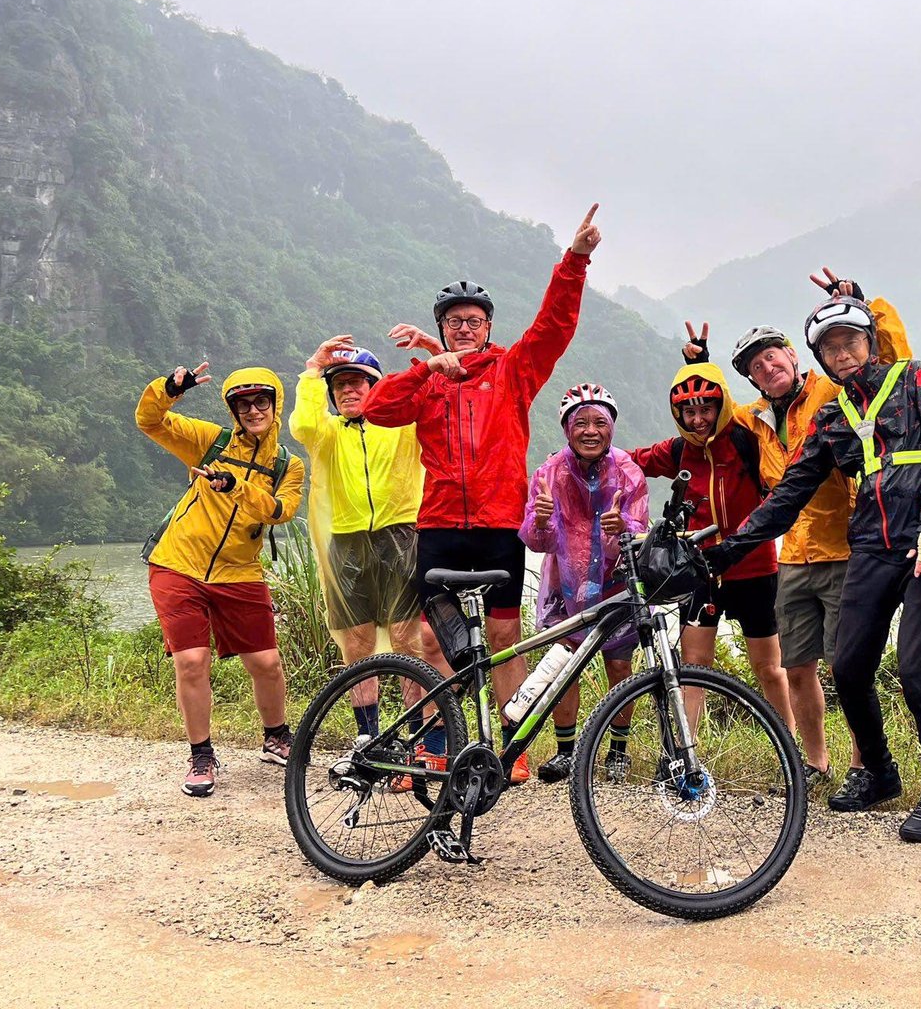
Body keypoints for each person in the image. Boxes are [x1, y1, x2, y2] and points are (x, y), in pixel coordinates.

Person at [706, 293, 921, 843]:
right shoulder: (832, 417)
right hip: (871, 546)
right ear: (819, 357)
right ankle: (878, 771)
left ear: (870, 341)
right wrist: (728, 550)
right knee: (848, 667)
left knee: (918, 670)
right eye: (831, 347)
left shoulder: (917, 378)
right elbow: (789, 494)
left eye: (851, 341)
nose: (843, 353)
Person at [362, 205, 603, 784]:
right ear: (442, 328)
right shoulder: (426, 382)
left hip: (499, 524)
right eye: (454, 320)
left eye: (474, 319)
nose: (464, 327)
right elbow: (374, 408)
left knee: (502, 635)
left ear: (488, 326)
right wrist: (426, 370)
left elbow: (554, 328)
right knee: (429, 638)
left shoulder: (514, 371)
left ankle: (511, 746)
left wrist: (575, 260)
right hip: (440, 524)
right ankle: (435, 745)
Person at [693, 269, 912, 787]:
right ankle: (814, 763)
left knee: (848, 666)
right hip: (793, 557)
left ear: (794, 355)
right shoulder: (756, 420)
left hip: (846, 549)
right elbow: (709, 414)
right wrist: (699, 367)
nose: (766, 368)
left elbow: (889, 360)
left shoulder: (833, 392)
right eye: (754, 366)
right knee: (797, 668)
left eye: (773, 356)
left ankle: (865, 765)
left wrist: (861, 304)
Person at [136, 362, 305, 797]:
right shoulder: (209, 441)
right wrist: (171, 389)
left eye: (261, 401)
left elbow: (280, 511)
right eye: (243, 403)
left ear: (274, 404)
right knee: (192, 661)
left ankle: (276, 737)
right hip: (179, 562)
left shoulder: (288, 465)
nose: (253, 410)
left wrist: (236, 487)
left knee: (266, 663)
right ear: (232, 410)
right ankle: (201, 755)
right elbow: (149, 420)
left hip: (239, 571)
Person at [629, 361, 796, 733]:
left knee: (769, 667)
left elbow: (774, 427)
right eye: (689, 411)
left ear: (720, 407)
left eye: (706, 409)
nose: (699, 419)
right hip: (699, 571)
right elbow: (631, 461)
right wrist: (578, 458)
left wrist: (701, 360)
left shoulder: (744, 438)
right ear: (679, 414)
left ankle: (790, 748)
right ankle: (686, 755)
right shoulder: (677, 451)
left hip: (755, 567)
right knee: (694, 664)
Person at [288, 337, 431, 751]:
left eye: (359, 383)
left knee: (408, 639)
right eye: (340, 385)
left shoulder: (402, 427)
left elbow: (432, 398)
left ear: (376, 387)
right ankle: (369, 733)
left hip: (400, 535)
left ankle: (414, 732)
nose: (348, 390)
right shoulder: (327, 433)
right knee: (357, 644)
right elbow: (302, 424)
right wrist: (313, 369)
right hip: (347, 541)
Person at [519, 384, 650, 782]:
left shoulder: (628, 471)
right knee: (565, 667)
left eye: (599, 422)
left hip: (616, 584)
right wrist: (541, 519)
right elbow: (534, 539)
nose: (590, 430)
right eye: (581, 423)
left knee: (619, 665)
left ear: (611, 427)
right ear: (566, 429)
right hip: (565, 587)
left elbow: (640, 531)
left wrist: (622, 525)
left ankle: (618, 751)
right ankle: (566, 751)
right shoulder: (549, 472)